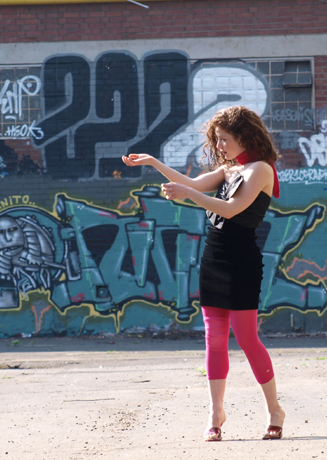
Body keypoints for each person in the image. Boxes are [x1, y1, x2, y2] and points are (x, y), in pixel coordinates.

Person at [122, 105, 285, 442]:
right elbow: (191, 182)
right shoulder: (229, 169)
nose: (220, 146)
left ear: (244, 136)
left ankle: (274, 410)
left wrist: (190, 195)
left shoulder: (261, 170)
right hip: (214, 258)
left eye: (224, 139)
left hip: (242, 262)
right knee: (214, 339)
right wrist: (153, 162)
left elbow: (231, 209)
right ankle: (216, 413)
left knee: (246, 338)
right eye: (217, 139)